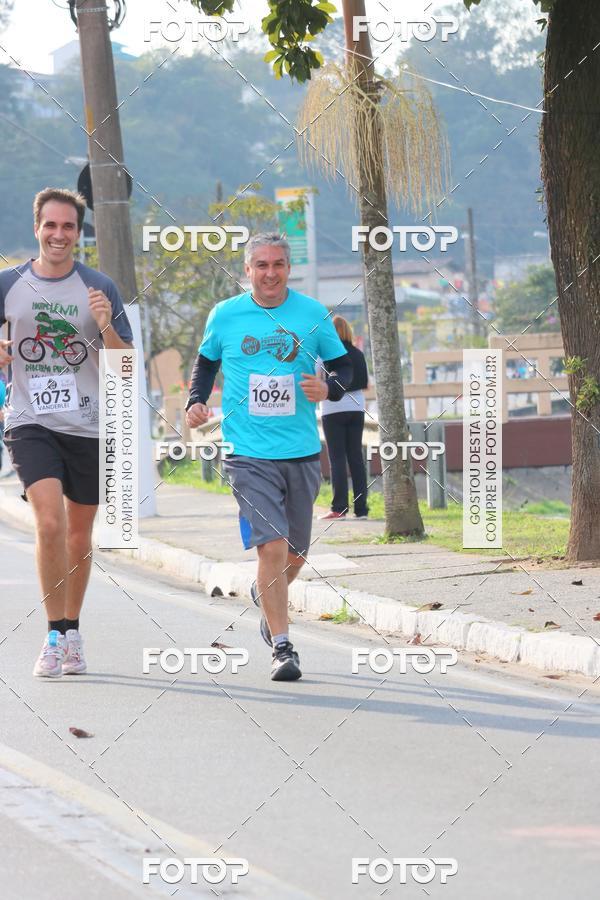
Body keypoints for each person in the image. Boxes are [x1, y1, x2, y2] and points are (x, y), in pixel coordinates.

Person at [185, 233, 352, 681]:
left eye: (278, 264)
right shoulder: (225, 315)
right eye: (261, 265)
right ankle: (283, 647)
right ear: (247, 270)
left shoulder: (312, 314)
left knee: (295, 553)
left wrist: (330, 387)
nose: (271, 273)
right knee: (272, 546)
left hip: (300, 452)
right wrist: (195, 402)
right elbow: (205, 364)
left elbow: (349, 366)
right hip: (247, 453)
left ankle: (268, 598)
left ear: (288, 269)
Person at [0, 187, 133, 677]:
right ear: (37, 228)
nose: (59, 235)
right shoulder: (7, 284)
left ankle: (72, 630)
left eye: (68, 227)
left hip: (89, 425)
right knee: (50, 523)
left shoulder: (99, 287)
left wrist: (104, 327)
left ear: (79, 233)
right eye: (50, 226)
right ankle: (53, 634)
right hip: (29, 422)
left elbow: (125, 366)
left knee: (79, 535)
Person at [319, 316, 369, 519]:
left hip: (332, 409)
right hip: (357, 408)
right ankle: (361, 509)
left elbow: (316, 378)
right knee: (356, 457)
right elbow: (365, 382)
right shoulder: (358, 353)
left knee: (337, 458)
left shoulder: (325, 355)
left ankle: (339, 507)